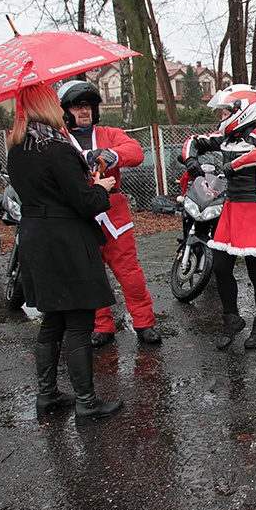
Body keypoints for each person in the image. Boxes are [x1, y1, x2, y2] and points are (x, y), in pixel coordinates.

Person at [6, 83, 123, 424]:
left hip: (34, 239)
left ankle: (47, 395)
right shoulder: (56, 148)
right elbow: (84, 203)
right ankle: (86, 401)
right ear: (46, 105)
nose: (63, 108)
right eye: (56, 103)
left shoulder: (19, 147)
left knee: (53, 320)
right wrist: (101, 188)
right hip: (66, 242)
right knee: (78, 322)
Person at [181, 84, 256, 350]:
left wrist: (233, 165)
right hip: (231, 209)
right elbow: (193, 141)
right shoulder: (228, 137)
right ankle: (231, 319)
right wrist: (191, 160)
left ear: (241, 110)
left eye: (224, 113)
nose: (221, 118)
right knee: (220, 267)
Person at [57, 81, 161, 347]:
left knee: (130, 274)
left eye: (89, 106)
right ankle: (102, 325)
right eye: (78, 106)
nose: (85, 111)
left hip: (113, 215)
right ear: (65, 110)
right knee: (90, 275)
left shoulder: (109, 133)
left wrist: (111, 155)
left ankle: (144, 322)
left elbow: (136, 152)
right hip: (78, 214)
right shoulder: (57, 137)